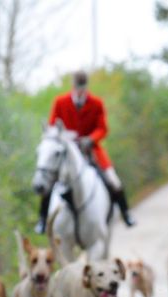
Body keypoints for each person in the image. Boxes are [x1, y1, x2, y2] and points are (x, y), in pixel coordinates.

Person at [35, 71, 135, 234]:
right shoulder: (60, 102)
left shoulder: (97, 103)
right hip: (67, 152)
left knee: (113, 180)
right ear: (72, 86)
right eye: (77, 87)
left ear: (86, 87)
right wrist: (66, 138)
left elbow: (103, 128)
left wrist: (91, 139)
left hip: (91, 149)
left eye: (82, 88)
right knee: (49, 181)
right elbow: (53, 127)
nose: (80, 91)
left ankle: (126, 213)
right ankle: (42, 219)